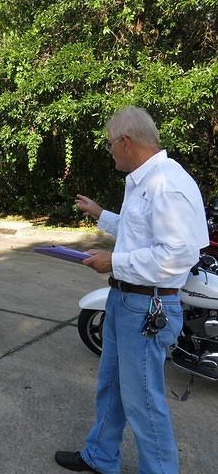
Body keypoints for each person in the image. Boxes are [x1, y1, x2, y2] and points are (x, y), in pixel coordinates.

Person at [55, 106, 209, 474]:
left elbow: (178, 255)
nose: (109, 151)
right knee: (111, 386)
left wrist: (115, 262)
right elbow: (140, 230)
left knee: (143, 403)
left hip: (146, 307)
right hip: (125, 301)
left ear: (125, 142)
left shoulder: (167, 183)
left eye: (110, 144)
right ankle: (101, 455)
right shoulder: (145, 179)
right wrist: (101, 214)